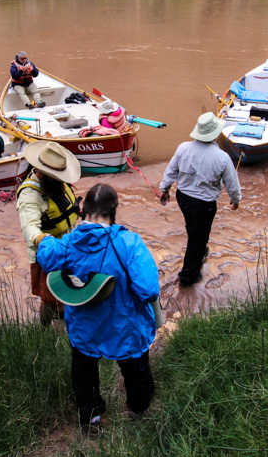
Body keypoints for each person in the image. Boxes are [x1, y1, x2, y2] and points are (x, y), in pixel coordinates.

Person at [37, 183, 160, 435]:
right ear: (113, 210)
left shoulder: (69, 242)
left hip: (85, 327)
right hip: (125, 326)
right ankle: (139, 408)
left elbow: (47, 256)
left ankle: (91, 420)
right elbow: (148, 290)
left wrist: (44, 238)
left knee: (84, 370)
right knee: (135, 369)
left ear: (83, 210)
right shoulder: (129, 242)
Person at [159, 112, 241, 287]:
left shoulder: (183, 148)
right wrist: (235, 199)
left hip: (183, 198)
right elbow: (232, 183)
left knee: (193, 227)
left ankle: (201, 249)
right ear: (215, 134)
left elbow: (171, 171)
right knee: (197, 237)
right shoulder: (222, 157)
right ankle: (188, 276)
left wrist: (165, 189)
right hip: (204, 204)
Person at [16, 141, 82, 325]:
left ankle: (61, 321)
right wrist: (45, 241)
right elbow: (29, 228)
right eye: (57, 176)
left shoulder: (56, 184)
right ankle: (45, 331)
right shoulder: (30, 194)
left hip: (68, 244)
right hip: (48, 252)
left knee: (67, 290)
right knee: (49, 298)